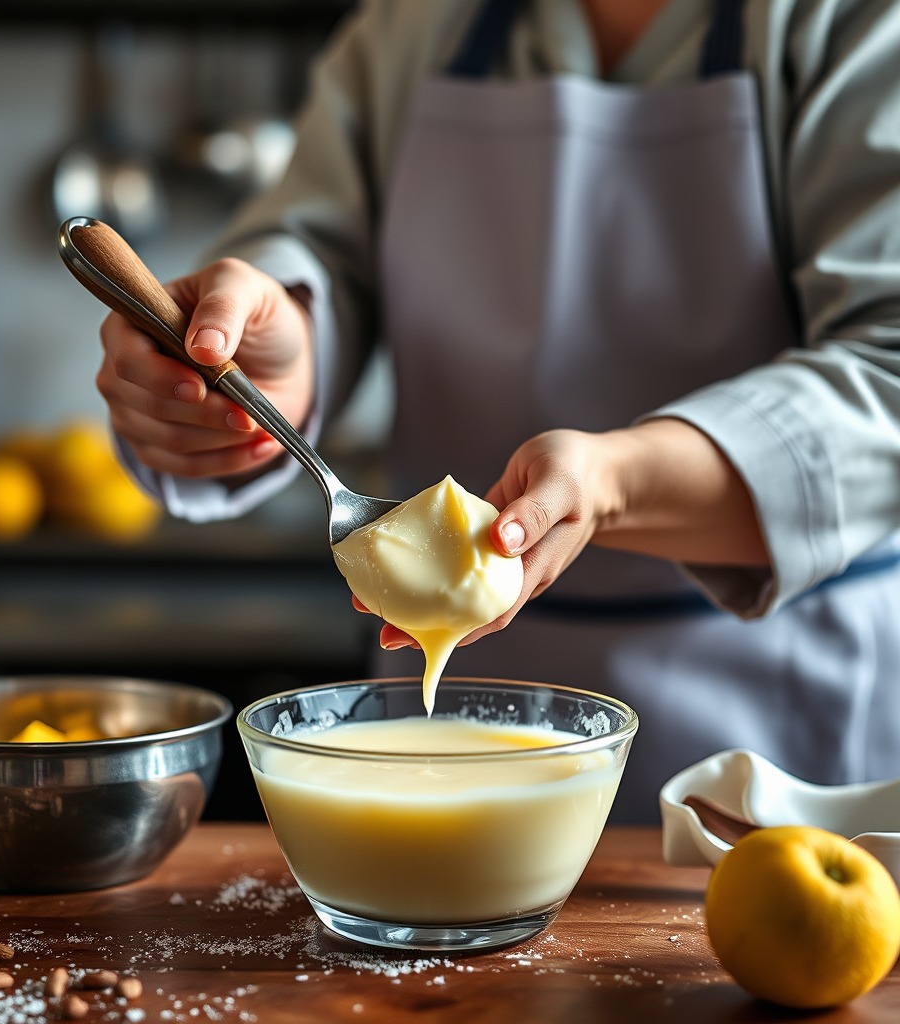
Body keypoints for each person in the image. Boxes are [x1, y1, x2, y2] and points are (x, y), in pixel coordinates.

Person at [95, 0, 900, 822]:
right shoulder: (412, 25)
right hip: (438, 698)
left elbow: (890, 371)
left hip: (780, 733)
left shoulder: (856, 23)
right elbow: (318, 253)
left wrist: (614, 481)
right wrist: (280, 354)